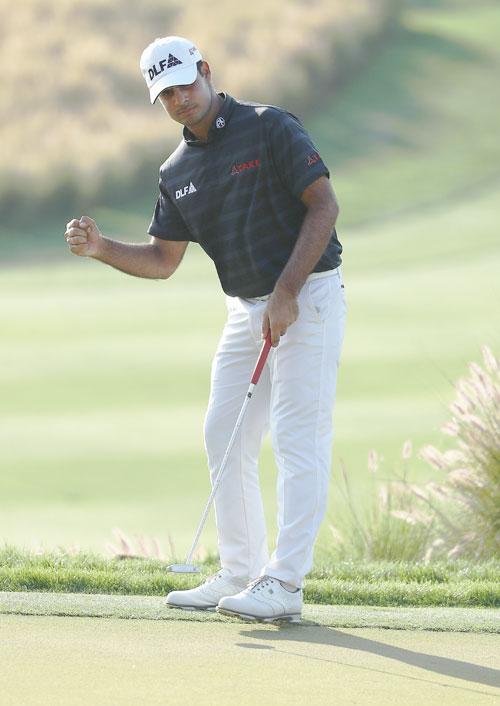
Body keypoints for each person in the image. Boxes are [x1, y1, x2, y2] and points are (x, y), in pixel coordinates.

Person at [64, 35, 347, 624]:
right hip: (245, 308)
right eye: (166, 93)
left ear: (207, 72)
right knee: (223, 432)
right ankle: (241, 571)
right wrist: (100, 248)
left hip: (309, 296)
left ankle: (285, 582)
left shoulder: (271, 127)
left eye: (185, 84)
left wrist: (288, 292)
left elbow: (324, 206)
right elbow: (163, 260)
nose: (180, 99)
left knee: (298, 442)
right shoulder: (177, 170)